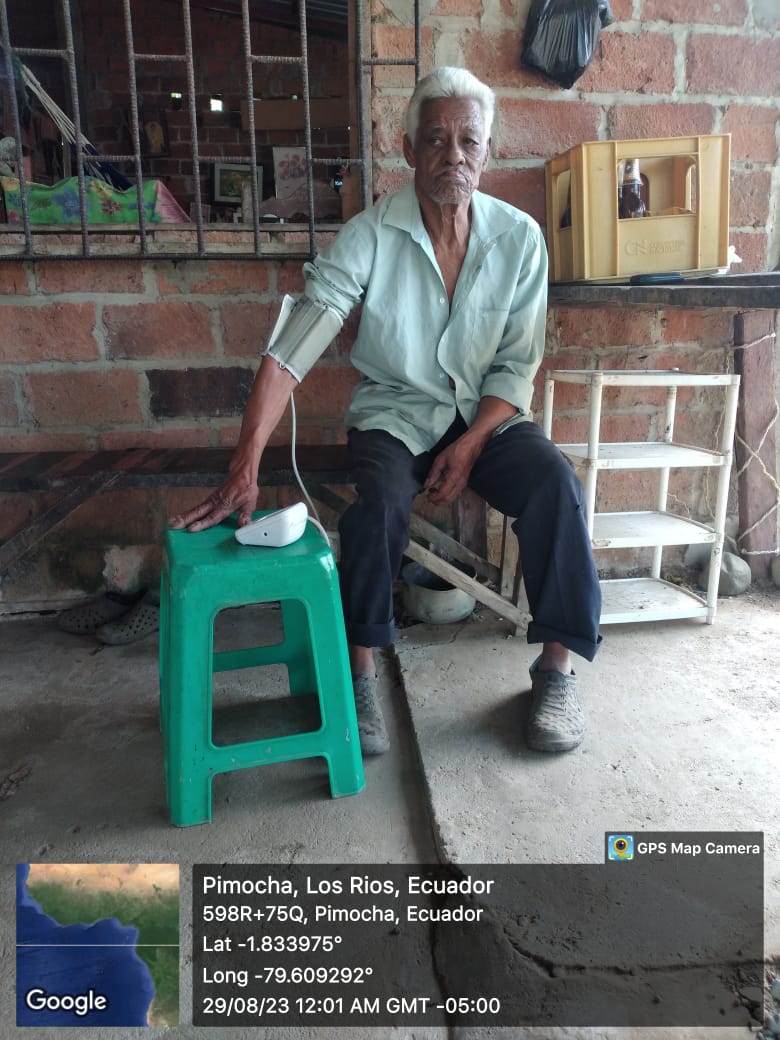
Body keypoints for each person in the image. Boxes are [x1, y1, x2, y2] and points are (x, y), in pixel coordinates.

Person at [168, 67, 602, 757]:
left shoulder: (519, 238)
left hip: (486, 416)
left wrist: (472, 442)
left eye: (468, 141)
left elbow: (516, 364)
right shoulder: (369, 235)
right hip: (395, 413)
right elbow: (292, 351)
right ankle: (361, 673)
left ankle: (556, 671)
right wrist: (245, 465)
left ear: (487, 152)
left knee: (556, 486)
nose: (453, 156)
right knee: (377, 506)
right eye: (436, 140)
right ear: (408, 149)